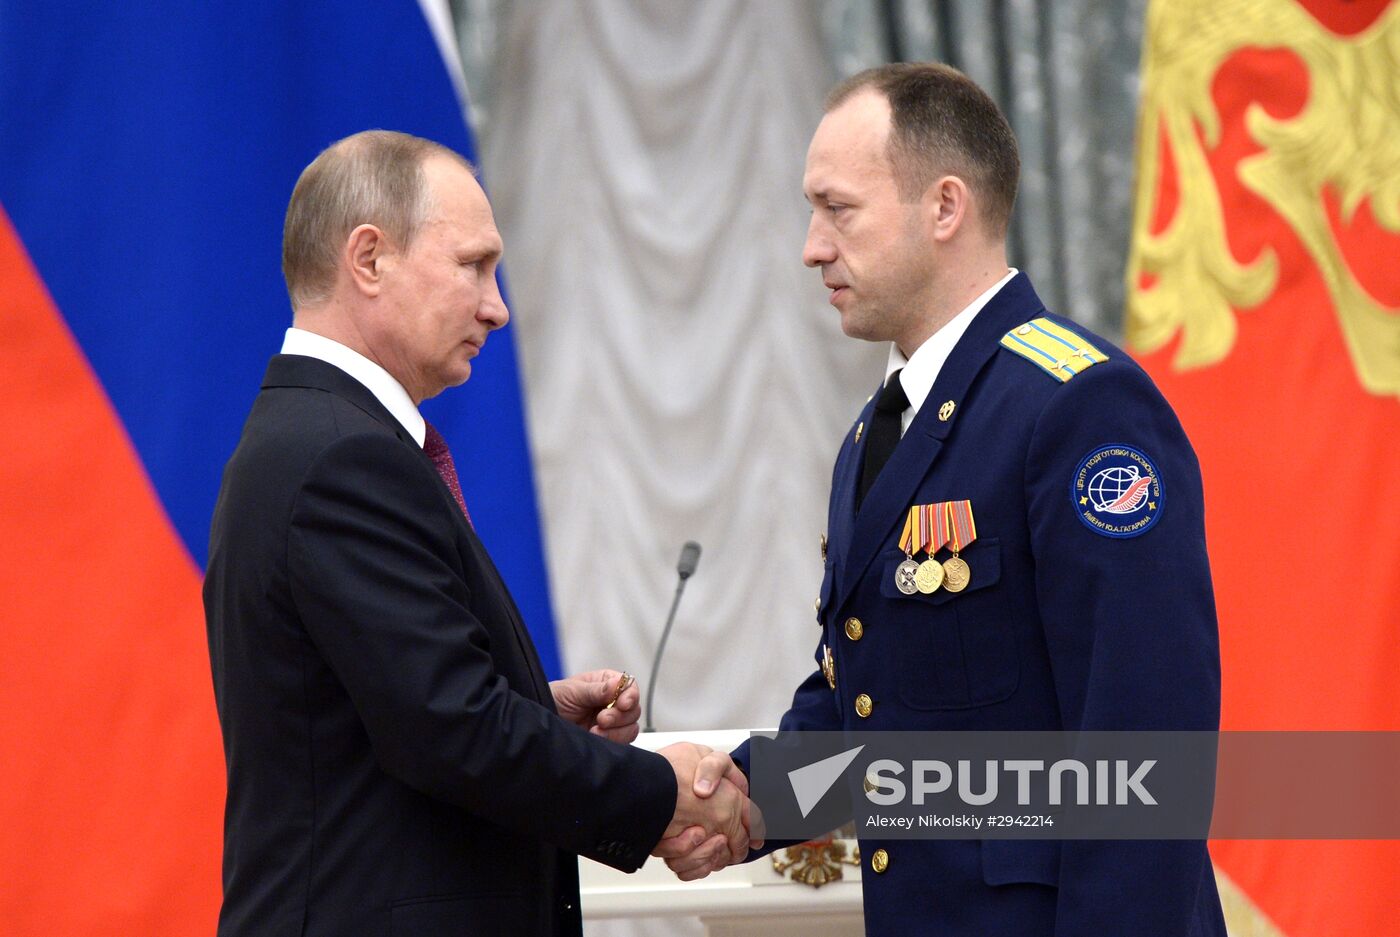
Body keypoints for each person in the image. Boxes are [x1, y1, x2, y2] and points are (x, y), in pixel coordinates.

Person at [657, 64, 1227, 936]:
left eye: (838, 209)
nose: (812, 246)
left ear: (945, 207)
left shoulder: (1075, 405)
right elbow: (876, 722)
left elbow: (1146, 745)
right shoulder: (872, 435)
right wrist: (747, 803)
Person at [203, 130, 751, 937]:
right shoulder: (342, 455)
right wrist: (658, 787)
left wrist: (529, 708)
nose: (497, 305)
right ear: (369, 259)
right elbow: (451, 730)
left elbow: (396, 708)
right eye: (472, 264)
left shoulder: (318, 436)